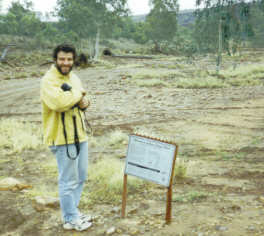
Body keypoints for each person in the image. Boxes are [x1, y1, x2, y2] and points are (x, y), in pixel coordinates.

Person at [40, 44, 92, 231]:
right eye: (62, 59)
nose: (65, 62)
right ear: (55, 59)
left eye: (69, 59)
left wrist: (85, 102)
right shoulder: (49, 80)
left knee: (81, 176)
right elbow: (59, 103)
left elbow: (81, 100)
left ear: (73, 60)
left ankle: (73, 212)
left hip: (79, 134)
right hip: (62, 139)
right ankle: (70, 218)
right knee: (68, 180)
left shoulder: (74, 78)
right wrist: (78, 94)